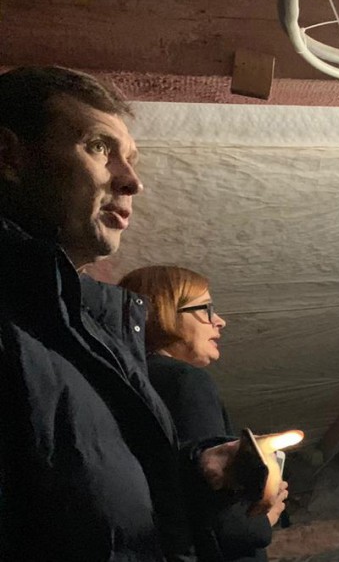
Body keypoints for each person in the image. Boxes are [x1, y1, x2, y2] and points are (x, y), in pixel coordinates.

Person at [0, 66, 270, 561]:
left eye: (131, 158)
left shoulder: (84, 334)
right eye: (98, 147)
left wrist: (200, 473)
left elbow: (77, 497)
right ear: (8, 156)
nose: (132, 181)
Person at [119, 266, 287, 562]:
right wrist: (264, 517)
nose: (220, 321)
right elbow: (218, 514)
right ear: (164, 312)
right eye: (206, 309)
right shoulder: (185, 381)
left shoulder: (127, 383)